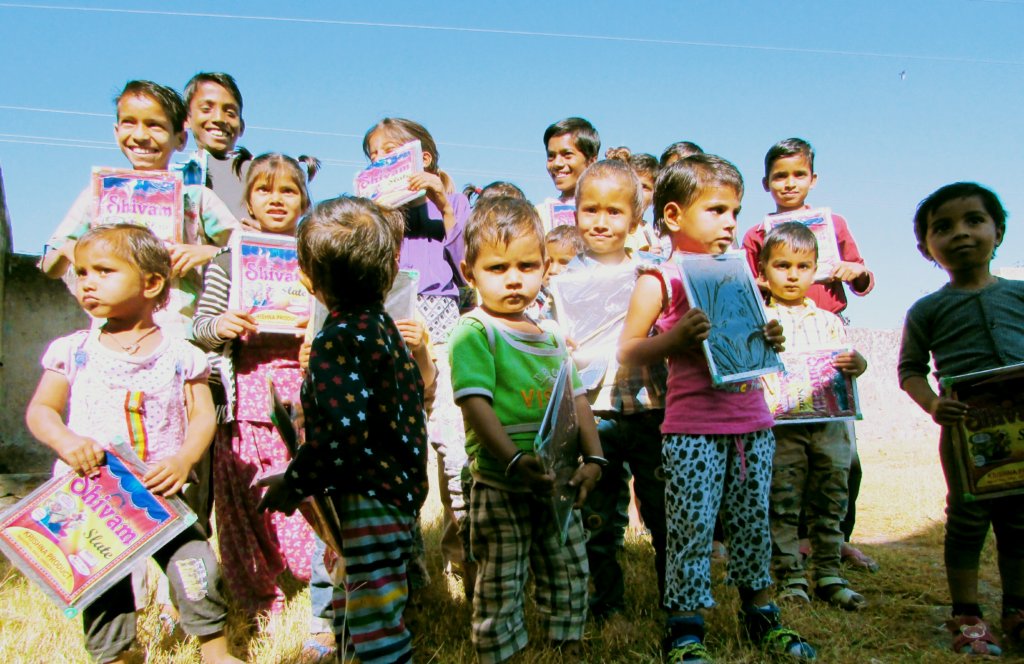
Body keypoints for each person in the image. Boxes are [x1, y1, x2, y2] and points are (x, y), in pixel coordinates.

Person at [618, 155, 815, 662]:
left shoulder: (739, 274)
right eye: (717, 210)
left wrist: (768, 335)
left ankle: (762, 616)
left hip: (753, 424)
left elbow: (747, 341)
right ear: (674, 215)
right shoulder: (659, 279)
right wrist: (674, 339)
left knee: (753, 524)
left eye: (735, 210)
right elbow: (628, 350)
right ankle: (685, 628)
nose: (730, 222)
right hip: (692, 430)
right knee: (692, 529)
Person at [25, 224, 241, 664]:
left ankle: (215, 651)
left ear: (152, 283)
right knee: (102, 583)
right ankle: (118, 655)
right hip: (94, 494)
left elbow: (202, 414)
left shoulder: (181, 353)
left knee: (196, 565)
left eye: (103, 270)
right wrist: (67, 441)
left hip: (161, 491)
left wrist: (184, 459)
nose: (87, 281)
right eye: (82, 272)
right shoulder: (74, 350)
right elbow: (41, 411)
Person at [258, 196, 429, 664]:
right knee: (360, 607)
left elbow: (342, 435)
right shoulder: (383, 329)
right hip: (393, 492)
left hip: (367, 499)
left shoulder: (337, 339)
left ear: (307, 282)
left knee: (377, 627)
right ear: (391, 274)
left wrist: (295, 484)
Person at [449, 196, 604, 663]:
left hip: (554, 480)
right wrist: (512, 460)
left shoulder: (553, 334)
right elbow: (476, 404)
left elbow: (577, 399)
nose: (515, 278)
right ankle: (501, 652)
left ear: (544, 268)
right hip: (501, 483)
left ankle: (567, 642)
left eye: (527, 265)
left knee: (569, 566)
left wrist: (594, 458)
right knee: (501, 577)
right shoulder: (475, 331)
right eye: (498, 267)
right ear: (468, 272)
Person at [191, 153, 319, 616]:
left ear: (303, 199)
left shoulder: (317, 256)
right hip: (244, 390)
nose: (276, 199)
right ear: (248, 199)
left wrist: (316, 328)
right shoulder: (229, 259)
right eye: (264, 189)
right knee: (244, 498)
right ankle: (260, 596)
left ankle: (316, 576)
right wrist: (222, 324)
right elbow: (199, 324)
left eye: (288, 190)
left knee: (306, 485)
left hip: (303, 388)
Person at [899, 182, 1024, 656]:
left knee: (1020, 521)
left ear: (999, 230)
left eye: (974, 220)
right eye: (943, 227)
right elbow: (909, 371)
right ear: (925, 247)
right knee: (968, 520)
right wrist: (934, 405)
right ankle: (967, 615)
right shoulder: (927, 310)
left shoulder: (1021, 295)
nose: (962, 233)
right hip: (965, 435)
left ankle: (1018, 608)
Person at [742, 137, 877, 572]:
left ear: (813, 179)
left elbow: (862, 275)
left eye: (798, 174)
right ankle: (789, 548)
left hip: (826, 336)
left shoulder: (833, 223)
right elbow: (745, 286)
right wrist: (765, 288)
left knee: (841, 461)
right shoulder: (757, 233)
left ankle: (835, 543)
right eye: (780, 176)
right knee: (785, 461)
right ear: (766, 183)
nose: (789, 183)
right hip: (781, 346)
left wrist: (853, 272)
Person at [362, 117, 474, 589]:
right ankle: (407, 566)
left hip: (443, 329)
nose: (383, 161)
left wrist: (443, 202)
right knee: (394, 452)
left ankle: (462, 556)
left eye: (394, 151)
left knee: (454, 450)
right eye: (374, 156)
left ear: (423, 158)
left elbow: (471, 266)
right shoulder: (372, 211)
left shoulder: (454, 203)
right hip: (390, 330)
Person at [39, 80, 239, 337]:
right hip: (110, 339)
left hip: (179, 336)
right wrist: (70, 249)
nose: (141, 135)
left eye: (155, 125)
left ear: (180, 138)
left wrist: (207, 252)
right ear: (116, 131)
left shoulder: (197, 199)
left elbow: (244, 253)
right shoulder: (97, 194)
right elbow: (49, 264)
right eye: (129, 122)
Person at [565, 159, 669, 621]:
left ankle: (677, 599)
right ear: (574, 213)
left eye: (614, 211)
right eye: (591, 210)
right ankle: (606, 607)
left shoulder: (654, 274)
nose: (601, 221)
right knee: (598, 519)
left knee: (665, 511)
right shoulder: (559, 282)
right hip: (594, 415)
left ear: (635, 218)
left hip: (652, 407)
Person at [758, 222, 868, 610]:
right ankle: (790, 576)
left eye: (802, 266)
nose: (792, 274)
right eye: (782, 265)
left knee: (831, 499)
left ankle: (829, 575)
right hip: (782, 430)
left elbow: (850, 368)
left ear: (815, 269)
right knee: (783, 501)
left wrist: (859, 363)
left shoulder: (830, 321)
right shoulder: (761, 323)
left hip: (830, 429)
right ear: (762, 272)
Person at [179, 72, 252, 221]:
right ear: (186, 119)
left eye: (230, 113)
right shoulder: (176, 179)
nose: (219, 119)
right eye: (206, 109)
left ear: (242, 126)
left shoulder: (258, 176)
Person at [536, 117, 600, 231]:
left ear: (591, 161)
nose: (557, 163)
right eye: (551, 156)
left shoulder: (606, 212)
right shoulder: (540, 215)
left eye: (567, 155)